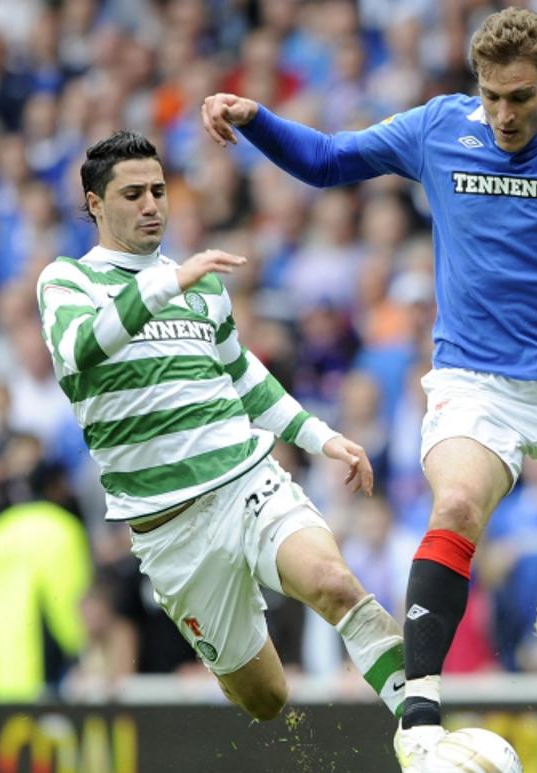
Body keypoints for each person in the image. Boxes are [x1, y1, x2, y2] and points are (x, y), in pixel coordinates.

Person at [199, 6, 537, 773]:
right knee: (454, 504)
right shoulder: (441, 128)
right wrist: (258, 120)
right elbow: (328, 161)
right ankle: (419, 719)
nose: (504, 114)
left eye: (520, 97)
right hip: (475, 377)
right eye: (491, 97)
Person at [34, 131, 406, 725]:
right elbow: (80, 347)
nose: (152, 204)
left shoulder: (200, 283)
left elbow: (244, 377)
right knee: (266, 699)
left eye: (158, 190)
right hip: (170, 528)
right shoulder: (67, 281)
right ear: (95, 203)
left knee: (334, 583)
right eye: (133, 194)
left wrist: (320, 436)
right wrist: (165, 283)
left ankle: (421, 732)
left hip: (244, 479)